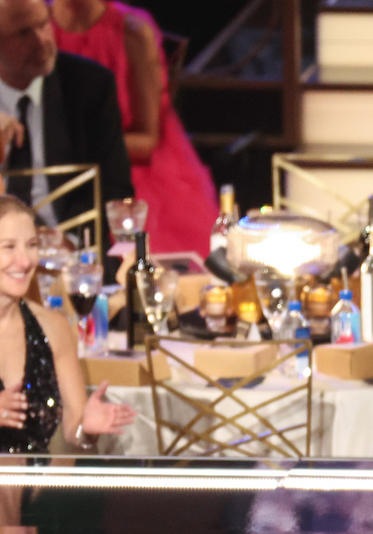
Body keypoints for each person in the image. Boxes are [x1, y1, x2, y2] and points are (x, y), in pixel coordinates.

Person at [51, 0, 219, 257]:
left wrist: (72, 147)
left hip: (135, 176)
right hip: (60, 175)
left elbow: (148, 140)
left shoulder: (130, 30)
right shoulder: (34, 25)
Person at [0, 0, 133, 279]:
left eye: (44, 24)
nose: (42, 41)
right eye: (24, 33)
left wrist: (70, 241)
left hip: (72, 258)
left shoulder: (90, 86)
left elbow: (115, 186)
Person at [0, 195, 136, 453]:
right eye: (9, 247)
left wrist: (87, 428)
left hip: (31, 490)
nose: (25, 260)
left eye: (31, 245)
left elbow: (75, 431)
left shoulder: (54, 328)